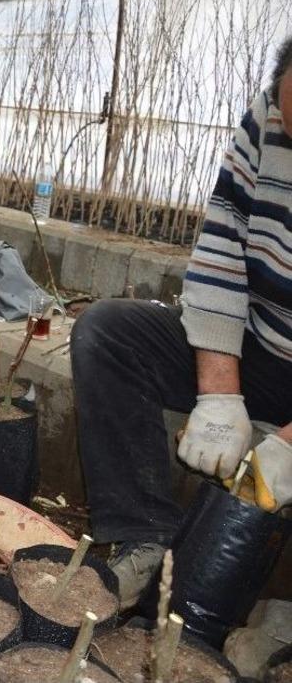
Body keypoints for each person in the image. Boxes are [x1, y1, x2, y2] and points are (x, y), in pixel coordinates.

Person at [70, 36, 292, 608]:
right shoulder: (267, 119)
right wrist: (220, 391)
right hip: (265, 343)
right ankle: (143, 538)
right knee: (108, 334)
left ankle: (276, 622)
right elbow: (222, 245)